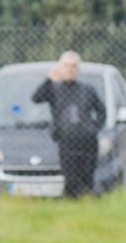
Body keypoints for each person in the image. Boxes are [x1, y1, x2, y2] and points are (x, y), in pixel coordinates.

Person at [31, 51, 106, 198]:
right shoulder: (54, 89)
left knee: (86, 177)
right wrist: (49, 80)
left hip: (86, 141)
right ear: (61, 68)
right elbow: (36, 98)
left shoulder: (87, 90)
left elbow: (101, 111)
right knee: (71, 177)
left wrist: (93, 129)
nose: (70, 69)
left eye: (73, 66)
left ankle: (86, 202)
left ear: (78, 69)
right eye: (66, 65)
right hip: (66, 141)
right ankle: (71, 201)